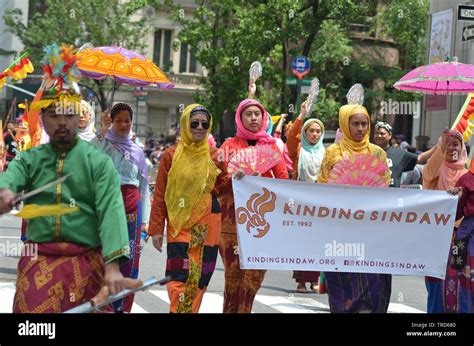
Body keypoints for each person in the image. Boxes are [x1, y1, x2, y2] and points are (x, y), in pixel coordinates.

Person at [0, 43, 132, 312]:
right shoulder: (30, 159)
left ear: (78, 117)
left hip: (87, 263)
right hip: (37, 261)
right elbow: (9, 179)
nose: (62, 121)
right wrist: (4, 193)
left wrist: (113, 266)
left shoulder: (98, 162)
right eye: (53, 114)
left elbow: (111, 212)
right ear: (44, 120)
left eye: (68, 114)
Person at [148, 104, 228, 313]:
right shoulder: (170, 155)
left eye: (204, 123)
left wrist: (239, 177)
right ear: (185, 124)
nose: (200, 127)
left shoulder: (215, 155)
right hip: (179, 226)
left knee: (200, 278)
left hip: (208, 225)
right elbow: (160, 193)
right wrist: (157, 228)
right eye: (194, 123)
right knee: (180, 276)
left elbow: (223, 186)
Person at [318, 104, 392, 313]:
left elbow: (384, 187)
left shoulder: (378, 153)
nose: (360, 128)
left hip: (370, 228)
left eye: (364, 124)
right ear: (345, 124)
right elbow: (321, 187)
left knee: (371, 281)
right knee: (342, 280)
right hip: (339, 227)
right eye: (355, 124)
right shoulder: (332, 152)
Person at [219, 98, 289, 313]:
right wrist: (233, 179)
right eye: (248, 114)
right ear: (240, 118)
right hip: (232, 225)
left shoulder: (272, 148)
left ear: (264, 117)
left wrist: (263, 181)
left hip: (262, 225)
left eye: (257, 114)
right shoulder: (228, 146)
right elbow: (215, 184)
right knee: (233, 276)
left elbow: (284, 184)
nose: (253, 118)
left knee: (254, 276)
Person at [92, 102, 150, 313]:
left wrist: (145, 223)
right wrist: (103, 130)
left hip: (132, 214)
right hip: (105, 211)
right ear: (112, 121)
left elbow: (144, 189)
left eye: (127, 120)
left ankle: (122, 308)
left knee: (128, 262)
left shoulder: (137, 152)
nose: (123, 124)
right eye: (118, 120)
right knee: (102, 260)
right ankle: (100, 307)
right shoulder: (103, 145)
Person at [423, 129, 468, 313]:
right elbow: (429, 168)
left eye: (455, 144)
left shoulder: (467, 175)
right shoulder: (435, 170)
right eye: (447, 145)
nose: (451, 148)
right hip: (436, 234)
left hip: (460, 236)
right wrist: (442, 141)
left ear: (462, 147)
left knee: (459, 279)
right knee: (435, 278)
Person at [287, 100, 325, 293]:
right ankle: (301, 281)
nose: (315, 134)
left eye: (318, 131)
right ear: (306, 132)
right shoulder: (298, 150)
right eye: (311, 131)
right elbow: (291, 139)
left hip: (319, 202)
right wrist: (301, 115)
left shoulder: (325, 153)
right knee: (302, 240)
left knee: (317, 240)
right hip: (300, 201)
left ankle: (314, 279)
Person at [446, 164, 474, 313]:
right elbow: (455, 212)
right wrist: (452, 198)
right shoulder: (466, 179)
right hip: (467, 235)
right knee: (465, 280)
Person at [373, 122, 435, 188]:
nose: (379, 136)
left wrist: (439, 145)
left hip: (392, 196)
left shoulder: (399, 153)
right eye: (376, 133)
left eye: (382, 133)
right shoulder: (368, 152)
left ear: (390, 135)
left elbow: (420, 158)